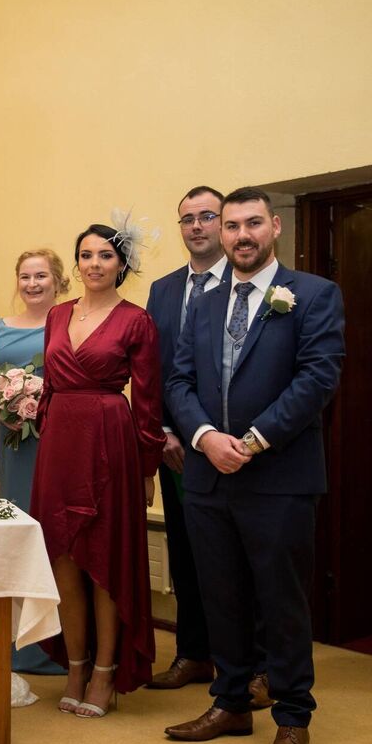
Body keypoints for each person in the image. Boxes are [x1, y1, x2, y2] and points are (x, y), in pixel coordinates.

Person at [164, 188, 345, 744]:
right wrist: (205, 439)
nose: (241, 235)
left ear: (275, 229)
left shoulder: (314, 295)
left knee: (281, 601)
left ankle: (292, 718)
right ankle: (232, 702)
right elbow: (179, 383)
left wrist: (255, 439)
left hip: (279, 476)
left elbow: (317, 379)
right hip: (209, 477)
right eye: (232, 226)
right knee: (222, 596)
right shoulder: (205, 303)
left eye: (252, 224)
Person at [29, 221, 165, 718]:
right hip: (60, 441)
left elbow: (148, 401)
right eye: (85, 255)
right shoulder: (58, 314)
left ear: (121, 265)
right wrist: (46, 435)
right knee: (63, 558)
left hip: (110, 438)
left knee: (105, 562)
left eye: (105, 256)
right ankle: (76, 665)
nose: (93, 264)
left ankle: (106, 671)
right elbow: (47, 385)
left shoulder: (136, 320)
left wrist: (147, 465)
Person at [144, 186, 230, 690]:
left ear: (223, 224)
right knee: (186, 551)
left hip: (229, 445)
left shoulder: (242, 285)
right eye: (187, 220)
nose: (196, 227)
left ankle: (251, 663)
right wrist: (162, 432)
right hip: (178, 449)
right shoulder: (164, 289)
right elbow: (154, 370)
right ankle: (194, 653)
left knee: (234, 557)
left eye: (206, 217)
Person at [0, 248, 69, 675]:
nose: (32, 284)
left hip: (60, 440)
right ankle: (18, 642)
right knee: (20, 529)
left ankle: (62, 643)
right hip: (15, 441)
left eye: (41, 276)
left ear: (59, 281)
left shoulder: (71, 322)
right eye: (25, 276)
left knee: (56, 533)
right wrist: (7, 414)